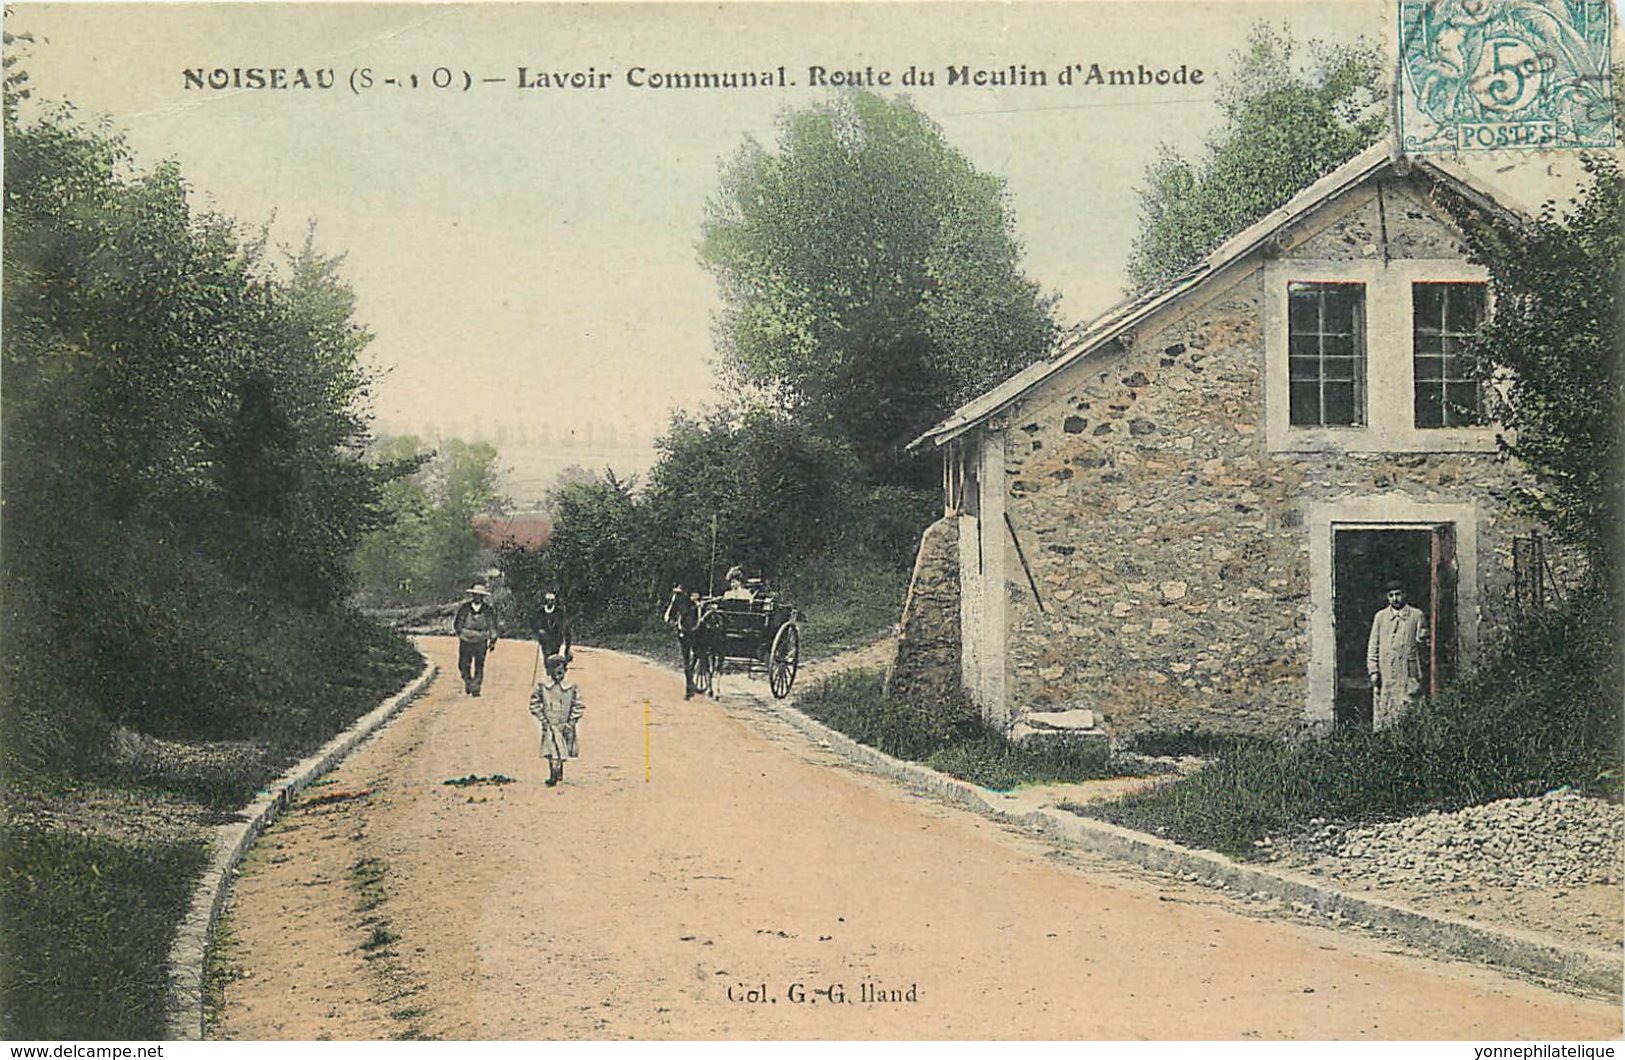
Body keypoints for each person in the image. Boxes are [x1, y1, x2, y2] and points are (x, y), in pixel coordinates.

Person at [1367, 579, 1428, 730]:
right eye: (1391, 595)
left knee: (1410, 711)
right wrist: (1374, 671)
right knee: (1386, 712)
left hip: (1408, 673)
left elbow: (1424, 647)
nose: (1395, 598)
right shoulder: (1380, 617)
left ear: (1404, 594)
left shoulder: (1416, 615)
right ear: (1387, 597)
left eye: (1398, 594)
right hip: (1386, 673)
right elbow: (1373, 646)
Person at [529, 652, 584, 787]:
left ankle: (559, 772)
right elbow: (534, 703)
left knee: (562, 749)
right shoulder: (543, 686)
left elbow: (579, 704)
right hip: (550, 723)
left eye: (562, 669)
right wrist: (543, 718)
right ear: (548, 670)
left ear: (566, 670)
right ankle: (553, 773)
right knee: (551, 749)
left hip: (565, 723)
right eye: (554, 668)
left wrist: (572, 721)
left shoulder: (571, 687)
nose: (559, 672)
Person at [452, 582, 499, 697]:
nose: (477, 597)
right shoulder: (465, 608)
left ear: (483, 597)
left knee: (479, 665)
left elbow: (492, 625)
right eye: (475, 595)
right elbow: (458, 623)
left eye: (480, 595)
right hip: (466, 640)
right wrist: (461, 632)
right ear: (472, 595)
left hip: (481, 640)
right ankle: (468, 681)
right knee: (463, 664)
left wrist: (493, 640)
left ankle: (476, 686)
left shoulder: (488, 610)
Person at [664, 584, 702, 699]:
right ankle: (689, 683)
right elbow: (671, 610)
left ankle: (690, 679)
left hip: (695, 619)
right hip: (684, 624)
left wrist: (696, 598)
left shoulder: (693, 587)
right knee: (686, 659)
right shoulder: (678, 600)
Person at [535, 590, 572, 663]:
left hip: (556, 638)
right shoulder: (541, 611)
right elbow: (537, 624)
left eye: (552, 600)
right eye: (548, 600)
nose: (550, 602)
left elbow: (563, 625)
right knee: (547, 658)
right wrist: (539, 632)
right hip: (546, 639)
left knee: (556, 658)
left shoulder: (559, 611)